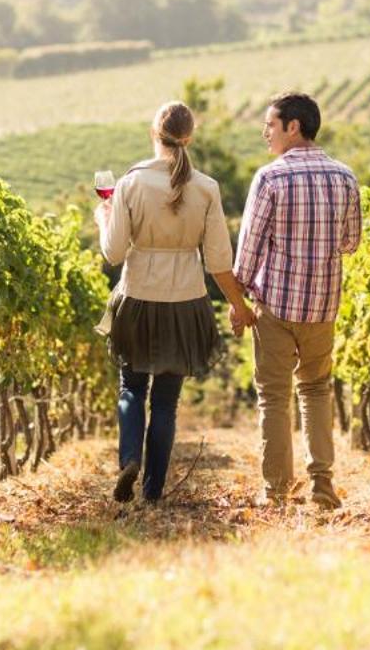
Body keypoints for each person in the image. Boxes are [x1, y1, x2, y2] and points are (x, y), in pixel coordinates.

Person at [96, 99, 255, 504]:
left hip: (138, 296)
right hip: (186, 300)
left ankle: (130, 456)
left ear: (154, 134)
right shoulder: (206, 187)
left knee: (131, 387)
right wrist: (237, 304)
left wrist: (104, 217)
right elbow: (220, 260)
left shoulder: (132, 182)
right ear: (191, 138)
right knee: (166, 401)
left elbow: (113, 253)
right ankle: (153, 491)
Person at [233, 92, 361, 509]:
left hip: (276, 305)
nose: (265, 133)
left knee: (273, 395)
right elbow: (351, 242)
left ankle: (277, 492)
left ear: (293, 126)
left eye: (270, 125)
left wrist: (239, 301)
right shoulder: (345, 177)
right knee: (317, 389)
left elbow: (249, 248)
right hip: (322, 306)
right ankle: (322, 485)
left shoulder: (270, 178)